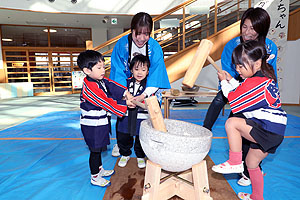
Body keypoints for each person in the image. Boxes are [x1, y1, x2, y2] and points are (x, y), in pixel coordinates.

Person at [203, 7, 278, 186]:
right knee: (220, 101)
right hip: (236, 82)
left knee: (240, 124)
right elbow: (231, 73)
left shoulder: (269, 47)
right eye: (244, 26)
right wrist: (228, 80)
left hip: (257, 92)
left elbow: (267, 76)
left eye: (253, 28)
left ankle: (247, 167)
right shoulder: (232, 44)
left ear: (262, 29)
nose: (247, 32)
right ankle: (204, 133)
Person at [211, 40, 287, 200]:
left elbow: (234, 99)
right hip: (274, 131)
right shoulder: (262, 79)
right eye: (236, 66)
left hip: (267, 130)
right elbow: (241, 89)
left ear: (257, 63)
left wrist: (224, 82)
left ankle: (235, 161)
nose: (238, 70)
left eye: (241, 66)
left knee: (232, 123)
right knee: (252, 163)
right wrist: (230, 80)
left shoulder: (256, 82)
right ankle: (257, 197)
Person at [109, 12, 171, 157]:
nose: (142, 38)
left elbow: (156, 74)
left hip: (147, 89)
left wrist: (143, 95)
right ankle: (121, 143)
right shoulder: (122, 45)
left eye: (147, 34)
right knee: (123, 118)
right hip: (126, 88)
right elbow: (118, 71)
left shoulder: (155, 47)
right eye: (139, 34)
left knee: (147, 120)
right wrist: (127, 95)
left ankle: (147, 145)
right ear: (132, 30)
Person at [77, 50, 135, 187]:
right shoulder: (89, 88)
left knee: (101, 147)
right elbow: (106, 102)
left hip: (101, 122)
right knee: (95, 151)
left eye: (103, 66)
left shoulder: (99, 80)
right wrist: (125, 103)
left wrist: (125, 92)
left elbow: (111, 84)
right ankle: (94, 177)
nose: (103, 70)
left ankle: (100, 170)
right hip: (92, 126)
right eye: (99, 68)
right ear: (87, 70)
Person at [117, 54, 151, 169]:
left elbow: (152, 100)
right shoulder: (125, 82)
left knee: (141, 136)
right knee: (123, 134)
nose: (139, 72)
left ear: (147, 71)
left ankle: (140, 155)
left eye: (143, 69)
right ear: (131, 70)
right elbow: (119, 95)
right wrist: (125, 100)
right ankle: (125, 153)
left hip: (141, 115)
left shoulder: (149, 85)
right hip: (126, 114)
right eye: (136, 69)